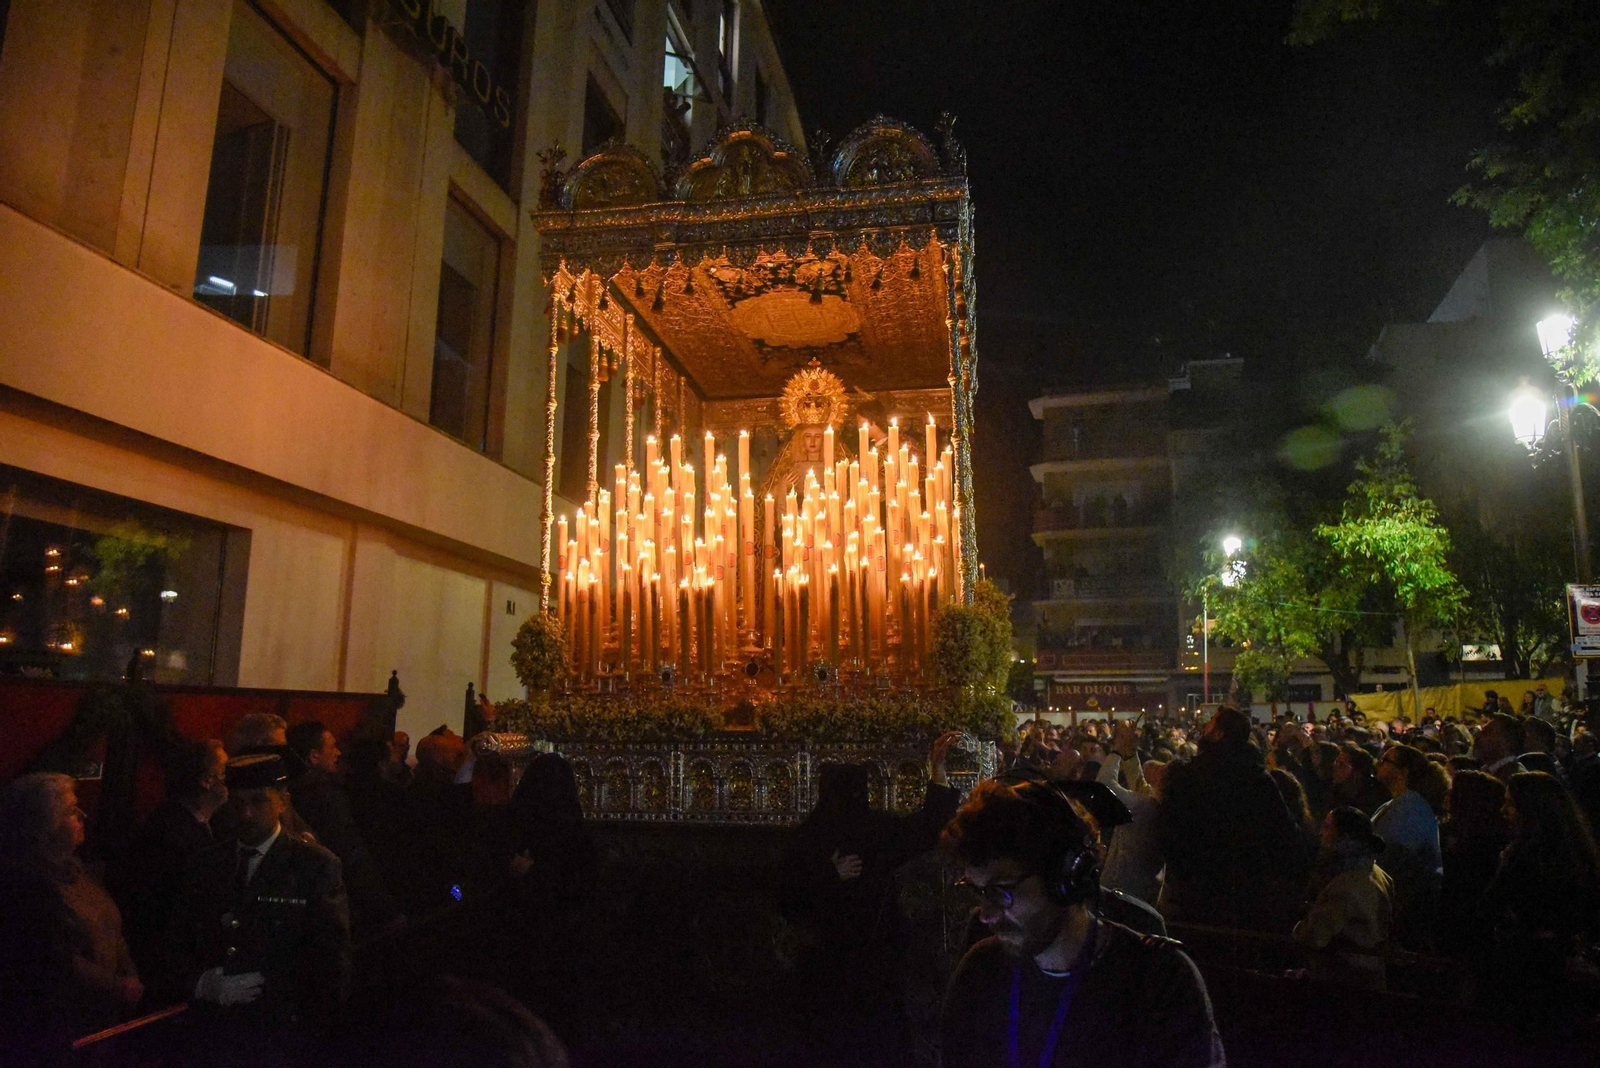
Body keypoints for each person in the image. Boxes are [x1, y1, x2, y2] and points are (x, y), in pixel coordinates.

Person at [939, 778, 1225, 1067]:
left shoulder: (1160, 981)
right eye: (977, 891)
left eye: (1000, 891)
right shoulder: (980, 972)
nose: (984, 914)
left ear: (1063, 878)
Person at [780, 731, 965, 1065]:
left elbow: (788, 894)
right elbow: (925, 828)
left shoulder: (811, 834)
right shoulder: (870, 829)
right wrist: (937, 774)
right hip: (866, 960)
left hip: (832, 964)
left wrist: (826, 875)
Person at [165, 753, 351, 1067]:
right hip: (214, 1034)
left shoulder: (313, 867)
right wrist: (200, 982)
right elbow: (179, 939)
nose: (247, 814)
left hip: (279, 1035)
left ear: (282, 802)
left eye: (259, 801)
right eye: (237, 804)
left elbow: (330, 963)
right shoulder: (207, 863)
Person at [0, 772, 143, 1065]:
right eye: (70, 811)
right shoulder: (27, 885)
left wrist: (129, 973)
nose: (82, 815)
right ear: (43, 826)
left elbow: (110, 926)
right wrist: (117, 985)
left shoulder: (76, 871)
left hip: (103, 1017)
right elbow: (58, 957)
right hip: (64, 1027)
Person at [1157, 705, 1304, 931]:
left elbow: (1170, 831)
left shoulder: (1190, 777)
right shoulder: (1258, 778)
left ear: (1219, 734)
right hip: (1249, 889)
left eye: (1211, 723)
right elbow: (1284, 832)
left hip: (1201, 889)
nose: (1205, 727)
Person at [490, 753, 599, 1043]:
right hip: (556, 938)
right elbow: (579, 885)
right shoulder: (575, 829)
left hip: (521, 933)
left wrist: (529, 872)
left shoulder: (511, 821)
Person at [1475, 771, 1600, 1023]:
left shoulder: (1525, 858)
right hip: (1562, 963)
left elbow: (1490, 905)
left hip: (1525, 966)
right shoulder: (1578, 852)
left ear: (1531, 810)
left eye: (1511, 803)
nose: (1503, 810)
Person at [113, 738, 229, 974]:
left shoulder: (185, 822)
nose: (231, 780)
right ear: (207, 781)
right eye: (225, 771)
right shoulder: (174, 835)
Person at [284, 720, 404, 939]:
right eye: (331, 747)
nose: (338, 752)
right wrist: (385, 908)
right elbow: (350, 853)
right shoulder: (325, 798)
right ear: (314, 756)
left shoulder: (289, 793)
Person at [1293, 808, 1393, 990]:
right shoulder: (1379, 875)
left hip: (1344, 980)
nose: (1321, 833)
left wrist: (1298, 927)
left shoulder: (1344, 885)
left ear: (1343, 837)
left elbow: (1314, 936)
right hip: (1373, 975)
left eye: (1327, 827)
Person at [1371, 744, 1442, 948]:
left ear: (1403, 772)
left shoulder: (1411, 807)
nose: (1379, 763)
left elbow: (1393, 853)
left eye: (1385, 760)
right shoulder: (1396, 803)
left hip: (1406, 903)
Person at [1437, 770, 1510, 954]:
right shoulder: (1453, 831)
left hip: (1465, 928)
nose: (1446, 795)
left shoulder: (1482, 843)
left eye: (1452, 791)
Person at [1094, 721, 1162, 906]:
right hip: (1137, 892)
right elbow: (1139, 783)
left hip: (1120, 893)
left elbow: (1104, 786)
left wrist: (1117, 750)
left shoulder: (1145, 807)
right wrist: (1130, 751)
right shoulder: (1156, 805)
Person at [1473, 714, 1527, 784]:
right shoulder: (1488, 771)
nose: (1477, 735)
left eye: (1487, 732)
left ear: (1507, 742)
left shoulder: (1514, 781)